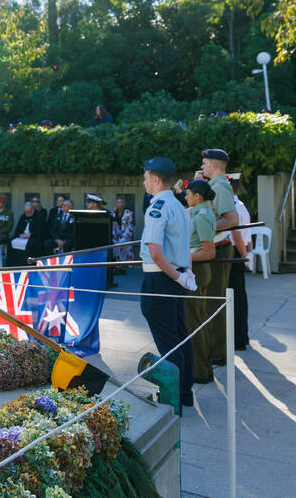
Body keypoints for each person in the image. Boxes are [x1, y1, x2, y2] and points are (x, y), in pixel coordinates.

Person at [139, 157, 196, 411]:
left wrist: (176, 276)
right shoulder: (179, 207)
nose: (143, 182)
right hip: (175, 277)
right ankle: (184, 394)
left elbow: (155, 251)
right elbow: (184, 247)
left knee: (169, 343)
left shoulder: (158, 206)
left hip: (161, 278)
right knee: (180, 337)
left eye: (145, 177)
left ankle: (172, 400)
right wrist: (185, 275)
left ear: (156, 179)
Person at [200, 149, 238, 368]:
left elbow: (231, 219)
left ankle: (216, 352)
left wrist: (206, 227)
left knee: (214, 301)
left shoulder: (220, 186)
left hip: (219, 248)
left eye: (205, 163)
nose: (202, 167)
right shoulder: (213, 185)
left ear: (214, 165)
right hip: (213, 247)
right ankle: (214, 349)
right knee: (210, 300)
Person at [183, 179, 216, 384]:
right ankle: (201, 368)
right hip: (194, 269)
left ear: (197, 196)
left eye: (187, 194)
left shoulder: (202, 216)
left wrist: (181, 256)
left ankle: (200, 371)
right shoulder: (196, 212)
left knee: (194, 322)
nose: (185, 197)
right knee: (196, 320)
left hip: (198, 271)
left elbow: (208, 252)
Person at [228, 178, 252, 351]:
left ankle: (238, 338)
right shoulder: (240, 205)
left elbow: (237, 235)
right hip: (239, 251)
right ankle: (240, 336)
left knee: (235, 297)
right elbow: (248, 234)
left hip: (235, 251)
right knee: (238, 296)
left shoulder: (234, 207)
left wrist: (243, 256)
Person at [111, 196, 135, 263]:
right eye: (119, 202)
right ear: (116, 203)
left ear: (124, 204)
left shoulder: (128, 213)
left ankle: (125, 263)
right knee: (113, 245)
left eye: (122, 202)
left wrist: (124, 236)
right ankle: (116, 263)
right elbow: (112, 225)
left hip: (125, 235)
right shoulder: (113, 213)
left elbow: (129, 226)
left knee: (123, 244)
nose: (120, 204)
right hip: (115, 235)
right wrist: (114, 235)